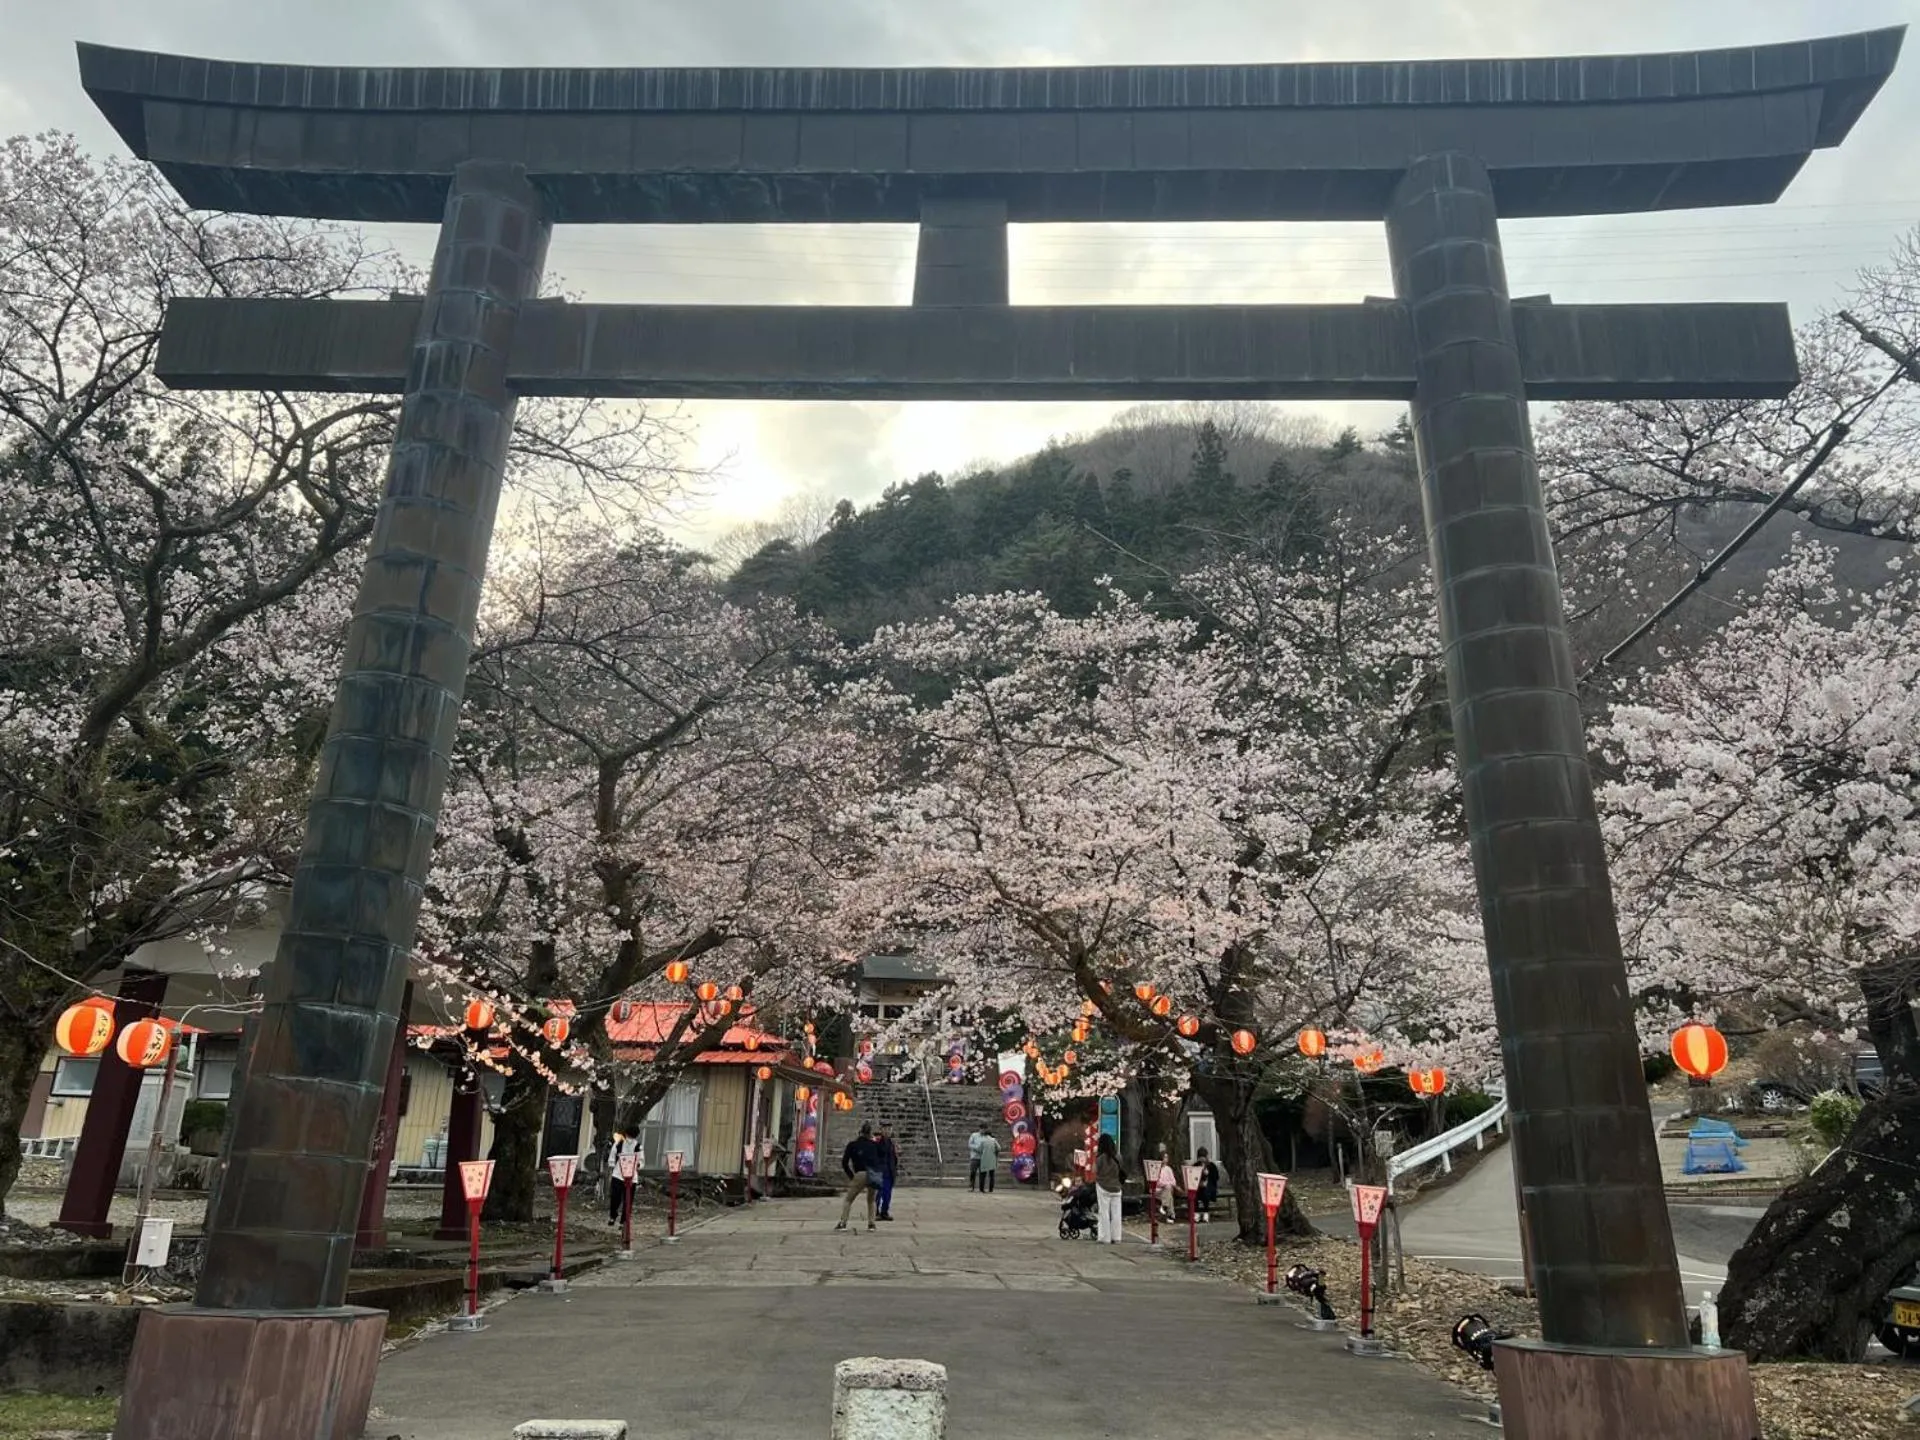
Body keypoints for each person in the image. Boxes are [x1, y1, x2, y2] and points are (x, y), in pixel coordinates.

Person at [836, 1123, 882, 1231]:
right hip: (874, 1173)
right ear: (870, 1133)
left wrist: (851, 1176)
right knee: (871, 1200)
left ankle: (843, 1223)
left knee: (849, 1199)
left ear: (860, 1132)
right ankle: (871, 1224)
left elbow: (844, 1162)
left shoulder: (852, 1145)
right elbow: (880, 1158)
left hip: (860, 1173)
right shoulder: (874, 1145)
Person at [1094, 1133, 1125, 1244]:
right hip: (1117, 1188)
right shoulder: (1118, 1157)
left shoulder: (1100, 1158)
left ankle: (1104, 1237)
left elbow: (1095, 1171)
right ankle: (1116, 1237)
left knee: (1104, 1212)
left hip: (1103, 1187)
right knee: (1116, 1213)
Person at [605, 1127, 639, 1226]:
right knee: (615, 1197)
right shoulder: (619, 1144)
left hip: (632, 1176)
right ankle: (613, 1216)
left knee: (628, 1200)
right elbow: (612, 1157)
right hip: (618, 1174)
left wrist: (637, 1165)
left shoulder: (638, 1146)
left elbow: (641, 1160)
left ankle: (624, 1221)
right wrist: (612, 1166)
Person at [874, 1122, 899, 1221]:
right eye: (885, 1129)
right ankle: (875, 1212)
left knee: (887, 1194)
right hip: (879, 1171)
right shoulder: (877, 1141)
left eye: (889, 1129)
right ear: (881, 1130)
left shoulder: (891, 1143)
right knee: (878, 1194)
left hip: (889, 1171)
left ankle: (884, 1212)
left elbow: (893, 1157)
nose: (888, 1131)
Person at [1151, 1144, 1177, 1222]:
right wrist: (1166, 1184)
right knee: (1169, 1193)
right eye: (1164, 1157)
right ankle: (1170, 1214)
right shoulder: (1157, 1168)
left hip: (1167, 1190)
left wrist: (1167, 1184)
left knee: (1168, 1190)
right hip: (1158, 1190)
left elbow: (1173, 1181)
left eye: (1167, 1157)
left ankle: (1165, 1208)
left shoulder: (1169, 1169)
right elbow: (1157, 1182)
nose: (1166, 1159)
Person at [1196, 1147, 1221, 1223]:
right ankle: (1196, 1213)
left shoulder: (1211, 1166)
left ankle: (1206, 1212)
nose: (1202, 1160)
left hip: (1210, 1188)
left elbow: (1216, 1178)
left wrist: (1208, 1174)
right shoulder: (1196, 1165)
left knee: (1206, 1191)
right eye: (1201, 1158)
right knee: (1194, 1192)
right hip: (1198, 1187)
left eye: (1204, 1157)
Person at [974, 1127, 1000, 1193]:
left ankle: (982, 1189)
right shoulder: (994, 1140)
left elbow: (979, 1149)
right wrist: (995, 1151)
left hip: (984, 1159)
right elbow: (999, 1148)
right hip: (992, 1159)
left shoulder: (983, 1141)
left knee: (983, 1175)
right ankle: (991, 1189)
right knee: (991, 1175)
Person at [967, 1124, 986, 1192]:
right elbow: (970, 1144)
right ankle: (971, 1186)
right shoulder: (974, 1135)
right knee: (973, 1172)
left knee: (983, 1173)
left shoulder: (986, 1137)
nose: (983, 1131)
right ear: (980, 1129)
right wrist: (976, 1148)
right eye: (982, 1129)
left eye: (984, 1129)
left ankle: (982, 1188)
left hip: (983, 1157)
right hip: (974, 1157)